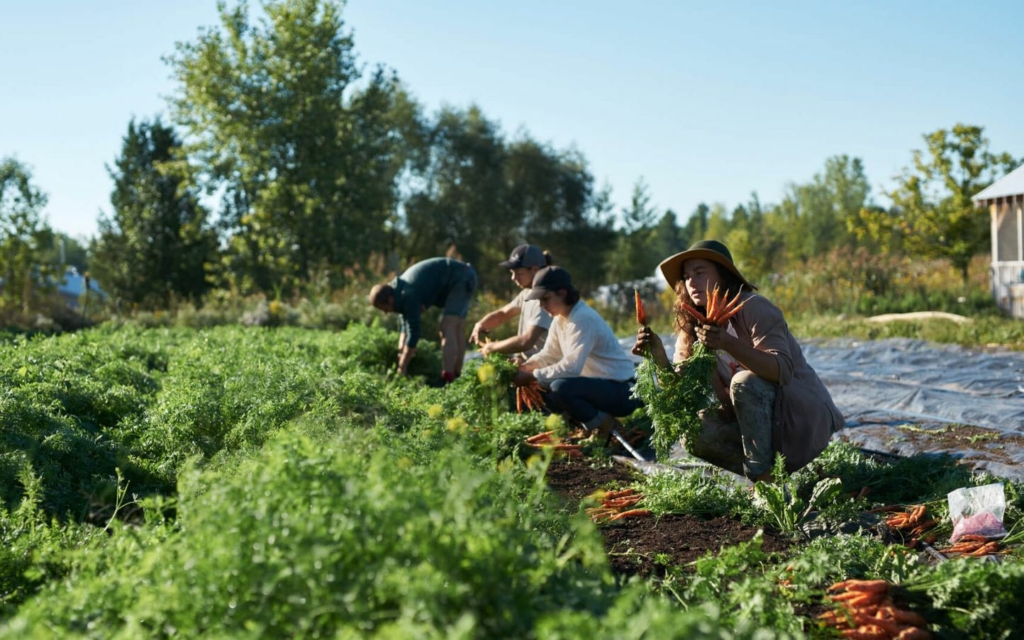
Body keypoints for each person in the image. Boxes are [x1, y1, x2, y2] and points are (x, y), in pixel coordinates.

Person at [632, 239, 843, 480]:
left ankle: (763, 480)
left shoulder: (754, 307)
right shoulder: (691, 328)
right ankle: (771, 478)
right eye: (687, 276)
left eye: (699, 272)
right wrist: (658, 356)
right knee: (694, 432)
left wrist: (727, 342)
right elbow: (680, 392)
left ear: (723, 275)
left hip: (800, 418)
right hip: (757, 425)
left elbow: (782, 370)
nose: (691, 282)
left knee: (743, 382)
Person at [513, 266, 642, 440]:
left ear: (563, 293)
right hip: (599, 387)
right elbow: (549, 355)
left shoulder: (583, 319)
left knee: (560, 387)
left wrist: (531, 376)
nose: (542, 306)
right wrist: (526, 368)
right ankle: (589, 426)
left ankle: (608, 427)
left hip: (623, 390)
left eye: (545, 299)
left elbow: (571, 367)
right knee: (544, 386)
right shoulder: (560, 319)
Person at [369, 257, 478, 384]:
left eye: (384, 308)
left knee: (448, 326)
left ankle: (448, 378)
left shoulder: (407, 294)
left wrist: (402, 367)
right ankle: (456, 375)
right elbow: (404, 329)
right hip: (464, 274)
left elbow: (414, 334)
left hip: (461, 277)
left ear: (389, 300)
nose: (386, 312)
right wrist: (401, 353)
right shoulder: (399, 292)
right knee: (456, 327)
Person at [468, 244, 554, 360]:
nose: (513, 278)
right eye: (512, 273)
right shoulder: (526, 293)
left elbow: (526, 341)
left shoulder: (546, 299)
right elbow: (503, 314)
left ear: (535, 270)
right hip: (526, 365)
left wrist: (492, 347)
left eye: (519, 273)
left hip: (542, 371)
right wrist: (481, 324)